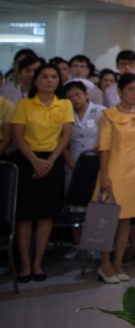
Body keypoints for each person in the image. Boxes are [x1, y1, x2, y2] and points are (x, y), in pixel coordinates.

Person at [11, 62, 73, 283]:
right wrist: (35, 161)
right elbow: (17, 136)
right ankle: (25, 264)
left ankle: (38, 261)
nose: (49, 80)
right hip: (27, 160)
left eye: (54, 77)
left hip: (52, 159)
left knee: (46, 215)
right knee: (25, 216)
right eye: (44, 77)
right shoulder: (24, 104)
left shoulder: (64, 104)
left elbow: (66, 135)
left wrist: (49, 161)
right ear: (35, 80)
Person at [95, 73, 135, 284]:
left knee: (126, 219)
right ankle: (104, 262)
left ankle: (118, 262)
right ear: (119, 91)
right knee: (108, 218)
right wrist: (105, 175)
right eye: (131, 89)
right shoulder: (108, 115)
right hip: (114, 169)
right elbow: (105, 148)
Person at [63, 80, 105, 189]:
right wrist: (72, 165)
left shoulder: (101, 111)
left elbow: (109, 137)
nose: (75, 99)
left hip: (96, 162)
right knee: (72, 199)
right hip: (73, 163)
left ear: (86, 94)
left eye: (78, 95)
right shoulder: (65, 114)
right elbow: (63, 143)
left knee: (93, 199)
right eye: (70, 97)